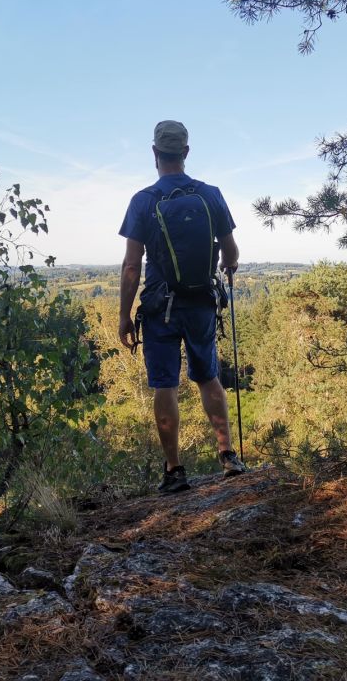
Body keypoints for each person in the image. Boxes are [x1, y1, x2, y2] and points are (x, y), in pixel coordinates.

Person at [118, 120, 246, 493]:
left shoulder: (143, 200)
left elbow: (130, 266)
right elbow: (230, 250)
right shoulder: (210, 195)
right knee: (209, 377)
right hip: (201, 303)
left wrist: (124, 316)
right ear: (186, 153)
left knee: (165, 384)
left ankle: (174, 471)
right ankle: (228, 456)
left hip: (160, 306)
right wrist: (229, 264)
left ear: (154, 154)